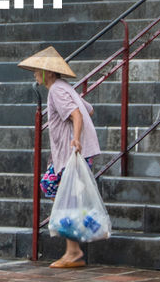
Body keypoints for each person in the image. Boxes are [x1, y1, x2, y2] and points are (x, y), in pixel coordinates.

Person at [18, 46, 100, 269]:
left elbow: (76, 114)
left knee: (59, 191)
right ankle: (73, 247)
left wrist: (75, 139)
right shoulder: (65, 88)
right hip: (68, 154)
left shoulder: (56, 90)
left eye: (38, 71)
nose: (36, 75)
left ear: (49, 73)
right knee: (53, 186)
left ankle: (74, 248)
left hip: (72, 152)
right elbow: (87, 110)